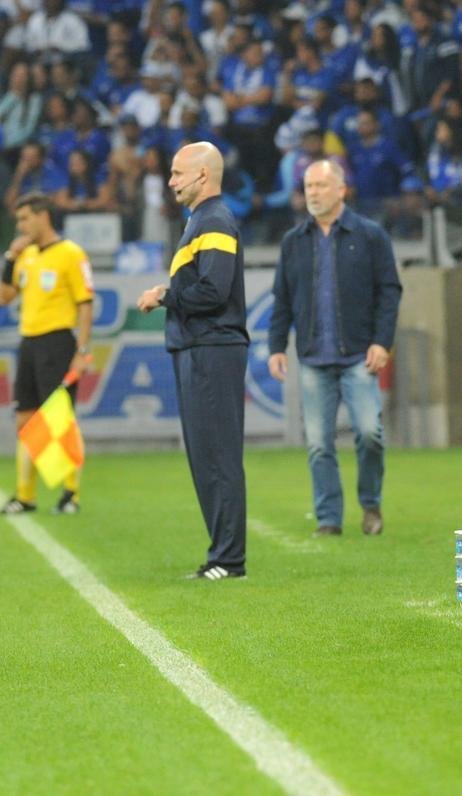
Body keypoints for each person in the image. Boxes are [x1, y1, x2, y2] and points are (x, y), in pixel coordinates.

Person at [268, 159, 401, 537]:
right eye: (308, 186)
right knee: (318, 444)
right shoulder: (293, 241)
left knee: (370, 434)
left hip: (359, 355)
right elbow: (282, 299)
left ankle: (370, 503)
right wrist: (277, 346)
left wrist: (382, 341)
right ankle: (328, 518)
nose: (313, 192)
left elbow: (389, 292)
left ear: (341, 190)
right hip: (313, 357)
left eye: (321, 185)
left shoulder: (370, 235)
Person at [136, 142, 251, 579]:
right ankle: (221, 555)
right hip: (198, 346)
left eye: (177, 173)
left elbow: (214, 291)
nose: (171, 182)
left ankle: (229, 560)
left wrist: (164, 296)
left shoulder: (215, 220)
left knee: (217, 456)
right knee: (206, 457)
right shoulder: (200, 220)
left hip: (212, 347)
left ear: (203, 175)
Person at [0, 193, 93, 515]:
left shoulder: (71, 253)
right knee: (25, 418)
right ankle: (25, 495)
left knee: (59, 420)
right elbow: (5, 297)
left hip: (58, 342)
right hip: (29, 342)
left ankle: (71, 494)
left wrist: (82, 350)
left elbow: (85, 304)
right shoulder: (25, 256)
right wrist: (9, 260)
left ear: (43, 216)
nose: (20, 226)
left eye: (25, 218)